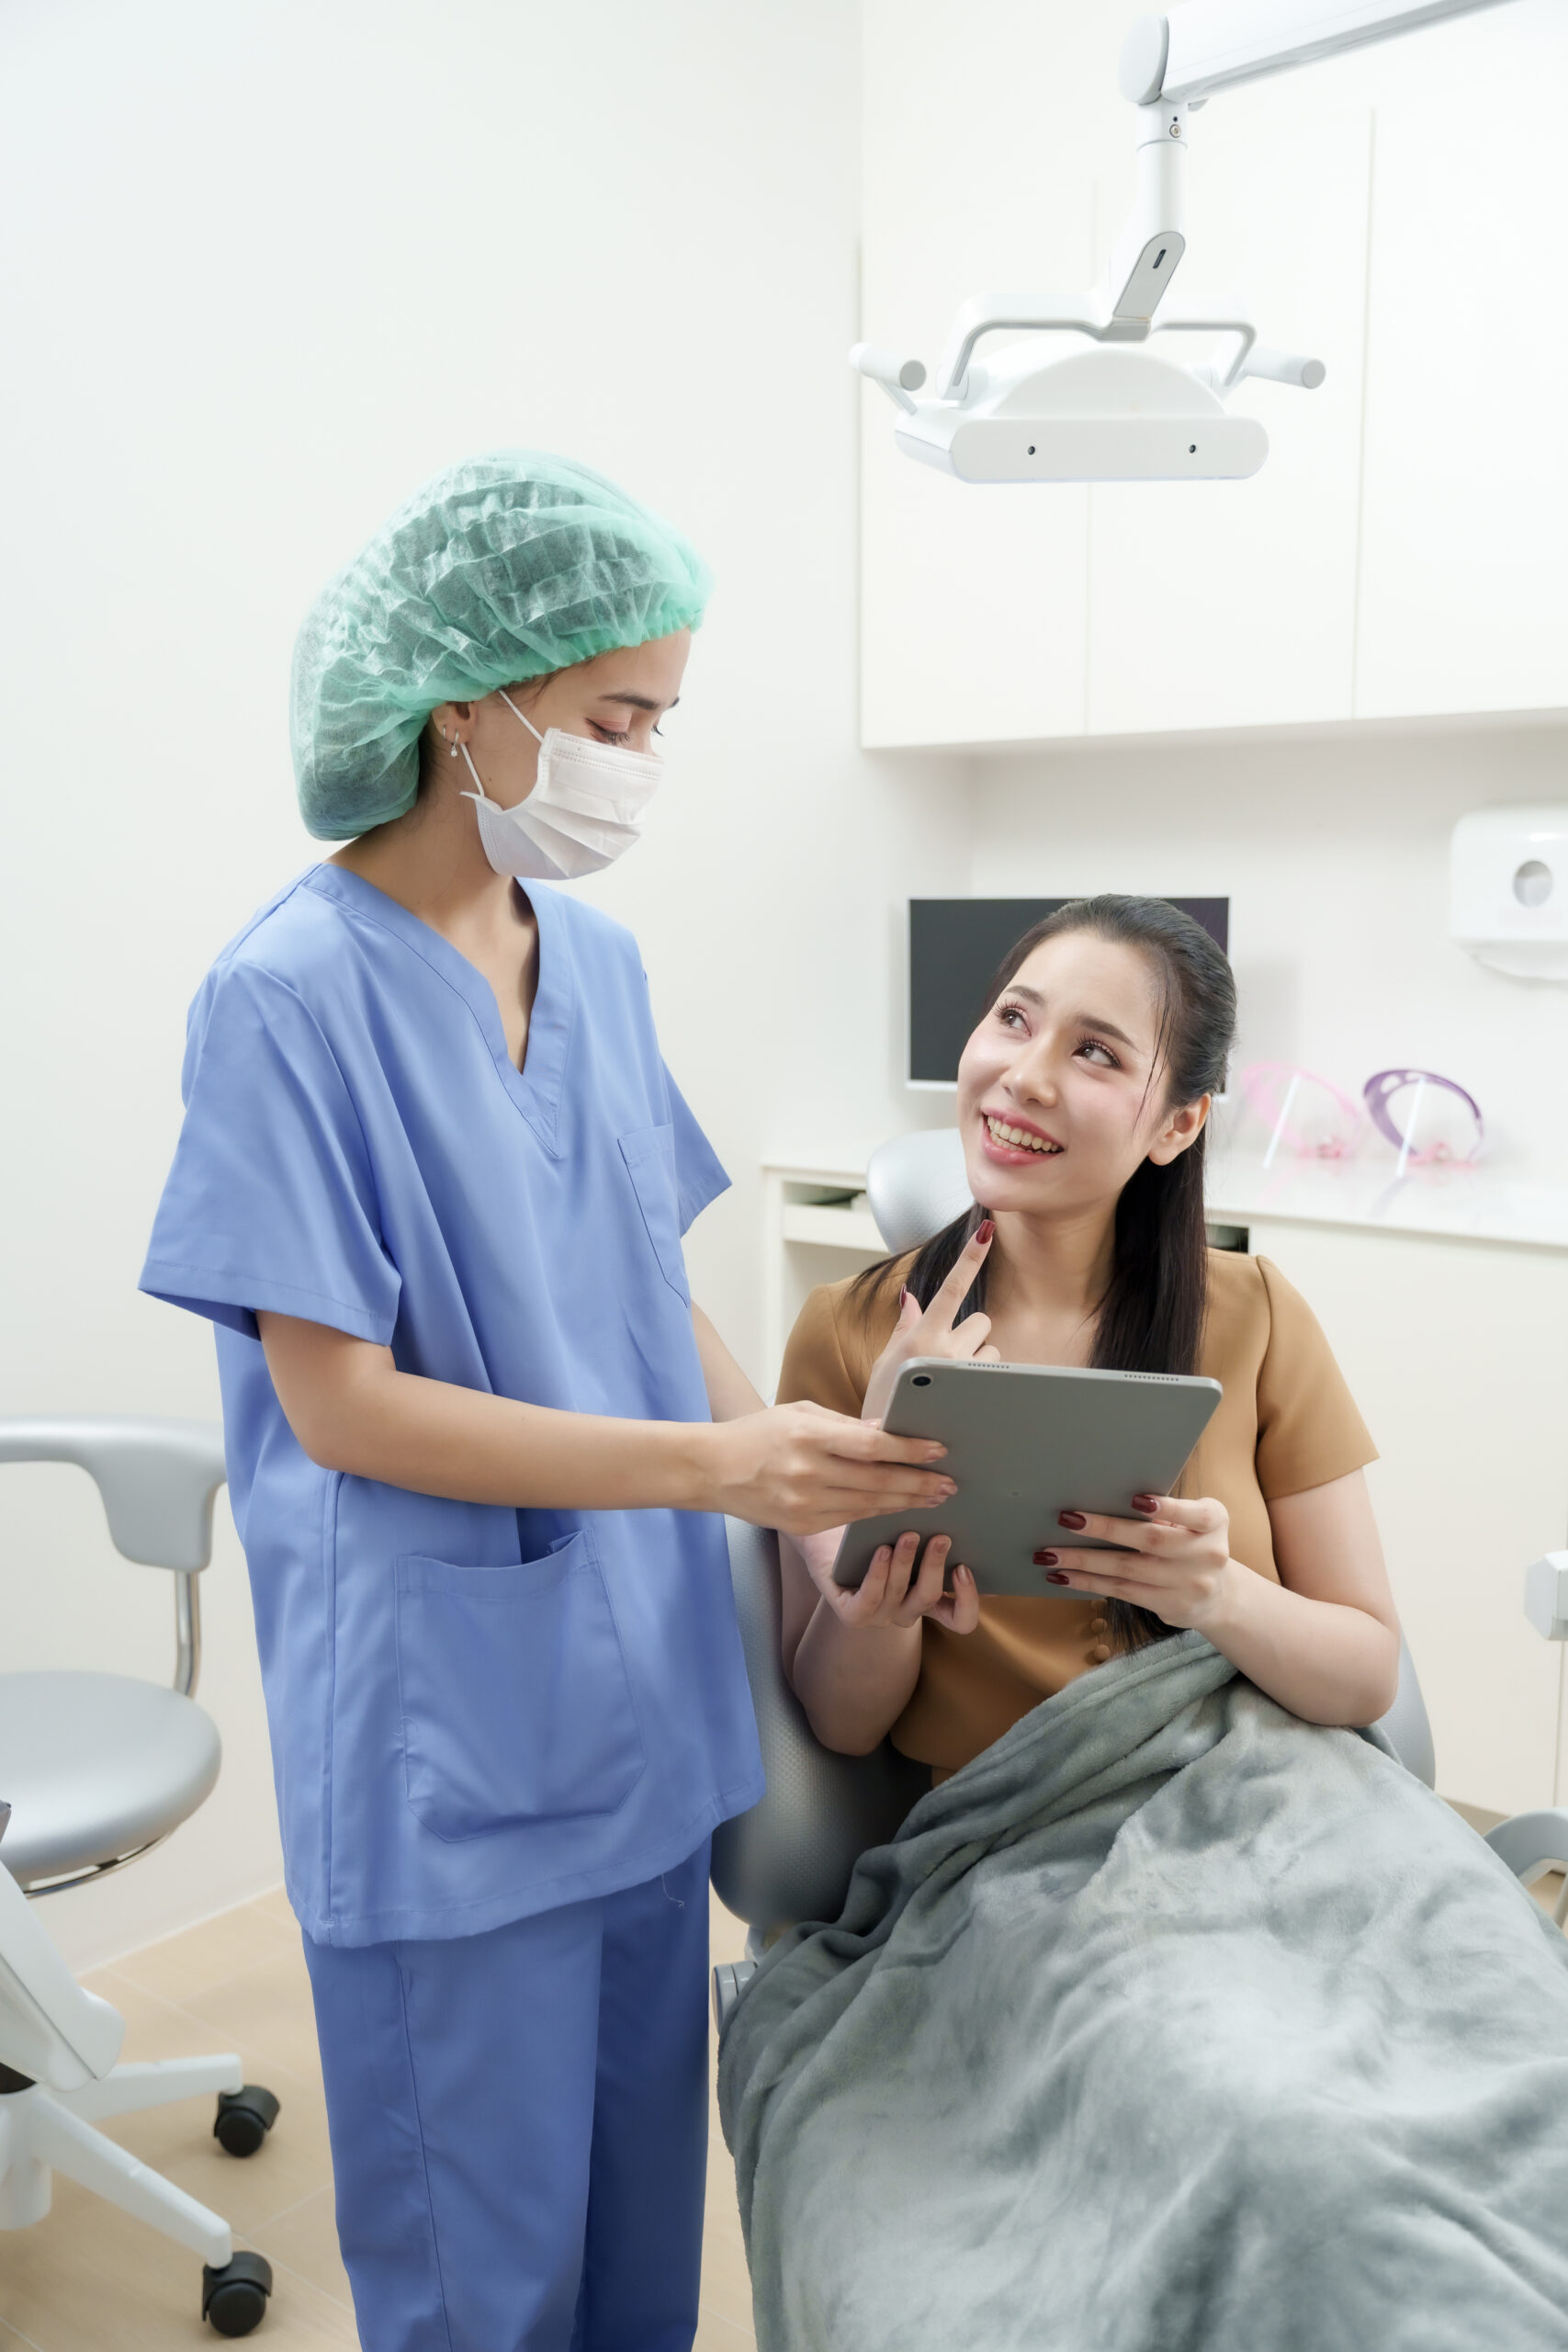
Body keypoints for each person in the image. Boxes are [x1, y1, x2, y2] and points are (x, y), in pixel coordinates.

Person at [138, 451, 954, 2352]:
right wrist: (712, 1467)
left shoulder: (592, 957)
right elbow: (339, 1406)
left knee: (634, 2250)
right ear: (466, 711)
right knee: (483, 2276)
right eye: (617, 714)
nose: (646, 758)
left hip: (639, 1701)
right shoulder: (285, 996)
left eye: (661, 714)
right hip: (450, 1728)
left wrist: (812, 1489)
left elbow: (639, 1285)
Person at [775, 894, 1402, 1770]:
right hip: (1012, 1858)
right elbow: (842, 1726)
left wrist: (1218, 1595)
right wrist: (883, 1507)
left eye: (1095, 1052)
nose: (1025, 1076)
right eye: (1012, 1019)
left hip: (1264, 1812)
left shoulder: (1257, 1316)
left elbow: (1367, 1677)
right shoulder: (844, 1336)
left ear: (1178, 1125)